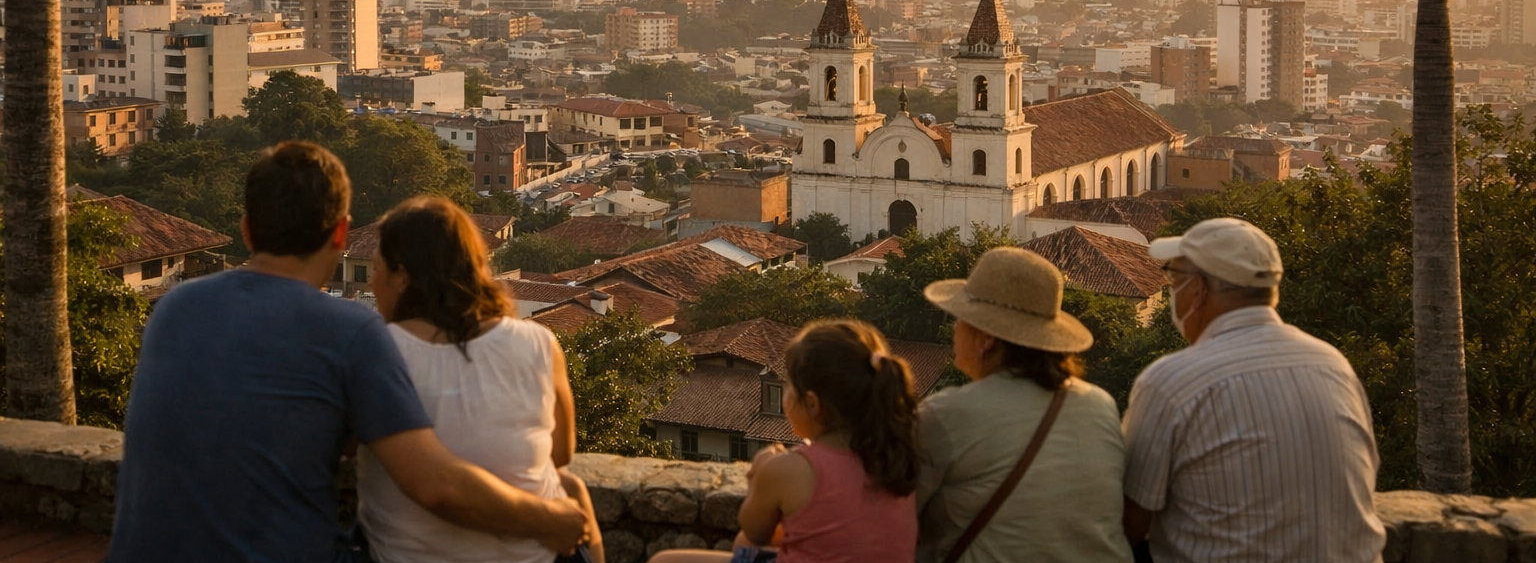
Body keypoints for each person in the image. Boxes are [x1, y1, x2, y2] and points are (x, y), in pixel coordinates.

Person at [108, 141, 587, 563]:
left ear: (247, 231)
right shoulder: (349, 331)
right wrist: (551, 520)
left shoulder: (174, 308)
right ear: (341, 234)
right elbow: (435, 486)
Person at [1122, 216, 1386, 563]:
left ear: (1197, 289)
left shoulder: (1171, 382)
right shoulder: (1333, 364)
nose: (1171, 289)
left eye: (1173, 277)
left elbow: (1129, 521)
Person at [359, 196, 604, 563]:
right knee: (571, 488)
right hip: (538, 555)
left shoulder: (377, 352)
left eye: (377, 269)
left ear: (402, 276)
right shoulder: (538, 343)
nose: (371, 283)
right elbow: (560, 454)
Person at [915, 246, 1131, 563]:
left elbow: (893, 514)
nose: (955, 328)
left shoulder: (947, 414)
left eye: (960, 318)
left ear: (986, 338)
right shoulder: (1099, 404)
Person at [650, 319, 920, 563]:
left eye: (789, 387)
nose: (785, 396)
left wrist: (758, 473)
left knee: (665, 561)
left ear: (812, 404)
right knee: (746, 545)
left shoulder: (790, 470)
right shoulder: (896, 457)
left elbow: (753, 530)